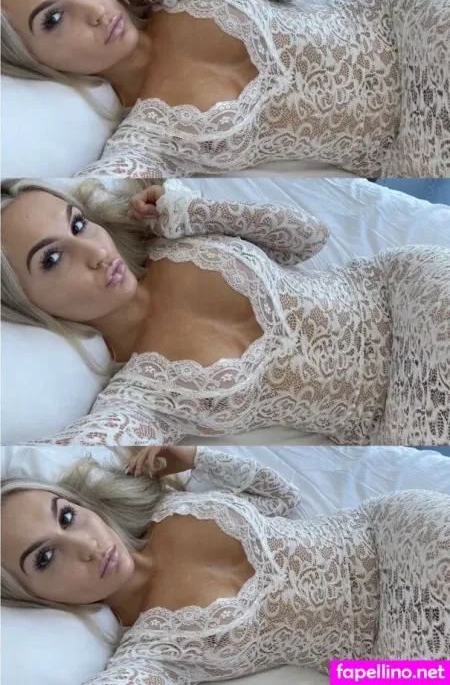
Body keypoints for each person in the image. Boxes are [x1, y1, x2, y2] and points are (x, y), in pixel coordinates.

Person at [2, 178, 450, 446]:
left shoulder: (173, 237)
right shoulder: (137, 398)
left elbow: (309, 237)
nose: (97, 253)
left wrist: (193, 210)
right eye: (53, 259)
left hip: (403, 295)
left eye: (79, 224)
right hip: (398, 409)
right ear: (24, 304)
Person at [2, 446, 449, 685]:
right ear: (31, 595)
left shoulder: (168, 508)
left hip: (389, 533)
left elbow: (282, 498)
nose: (86, 546)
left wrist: (196, 457)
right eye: (45, 557)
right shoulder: (150, 653)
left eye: (66, 517)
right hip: (376, 658)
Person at [2, 0, 449, 177]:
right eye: (54, 18)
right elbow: (102, 188)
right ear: (33, 62)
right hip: (405, 142)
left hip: (403, 27)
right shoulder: (144, 141)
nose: (95, 11)